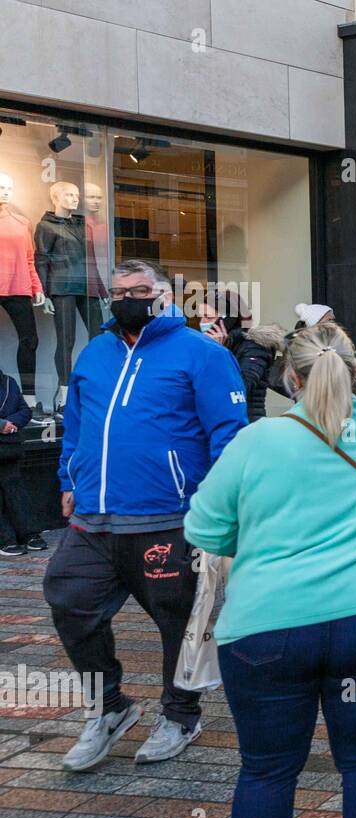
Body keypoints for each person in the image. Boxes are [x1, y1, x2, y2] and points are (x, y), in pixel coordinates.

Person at [184, 322, 356, 818]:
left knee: (267, 769)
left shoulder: (257, 440)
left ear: (290, 378)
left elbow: (204, 529)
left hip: (271, 627)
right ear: (355, 371)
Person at [44, 259, 248, 772]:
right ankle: (110, 709)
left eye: (137, 290)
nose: (125, 298)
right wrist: (70, 479)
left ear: (163, 294)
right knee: (69, 602)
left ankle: (180, 714)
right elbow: (76, 423)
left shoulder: (201, 353)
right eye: (116, 291)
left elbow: (228, 433)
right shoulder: (94, 352)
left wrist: (216, 506)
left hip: (169, 517)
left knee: (177, 622)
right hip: (94, 519)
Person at [202, 292, 284, 423]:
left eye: (208, 317)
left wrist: (217, 353)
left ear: (227, 321)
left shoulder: (255, 346)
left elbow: (242, 387)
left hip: (246, 424)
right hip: (219, 422)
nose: (202, 322)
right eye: (201, 317)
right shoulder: (213, 347)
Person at [0, 365, 44, 556]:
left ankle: (29, 534)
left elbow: (25, 411)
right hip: (7, 440)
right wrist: (2, 425)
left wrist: (10, 424)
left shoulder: (9, 382)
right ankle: (6, 539)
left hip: (9, 448)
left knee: (16, 493)